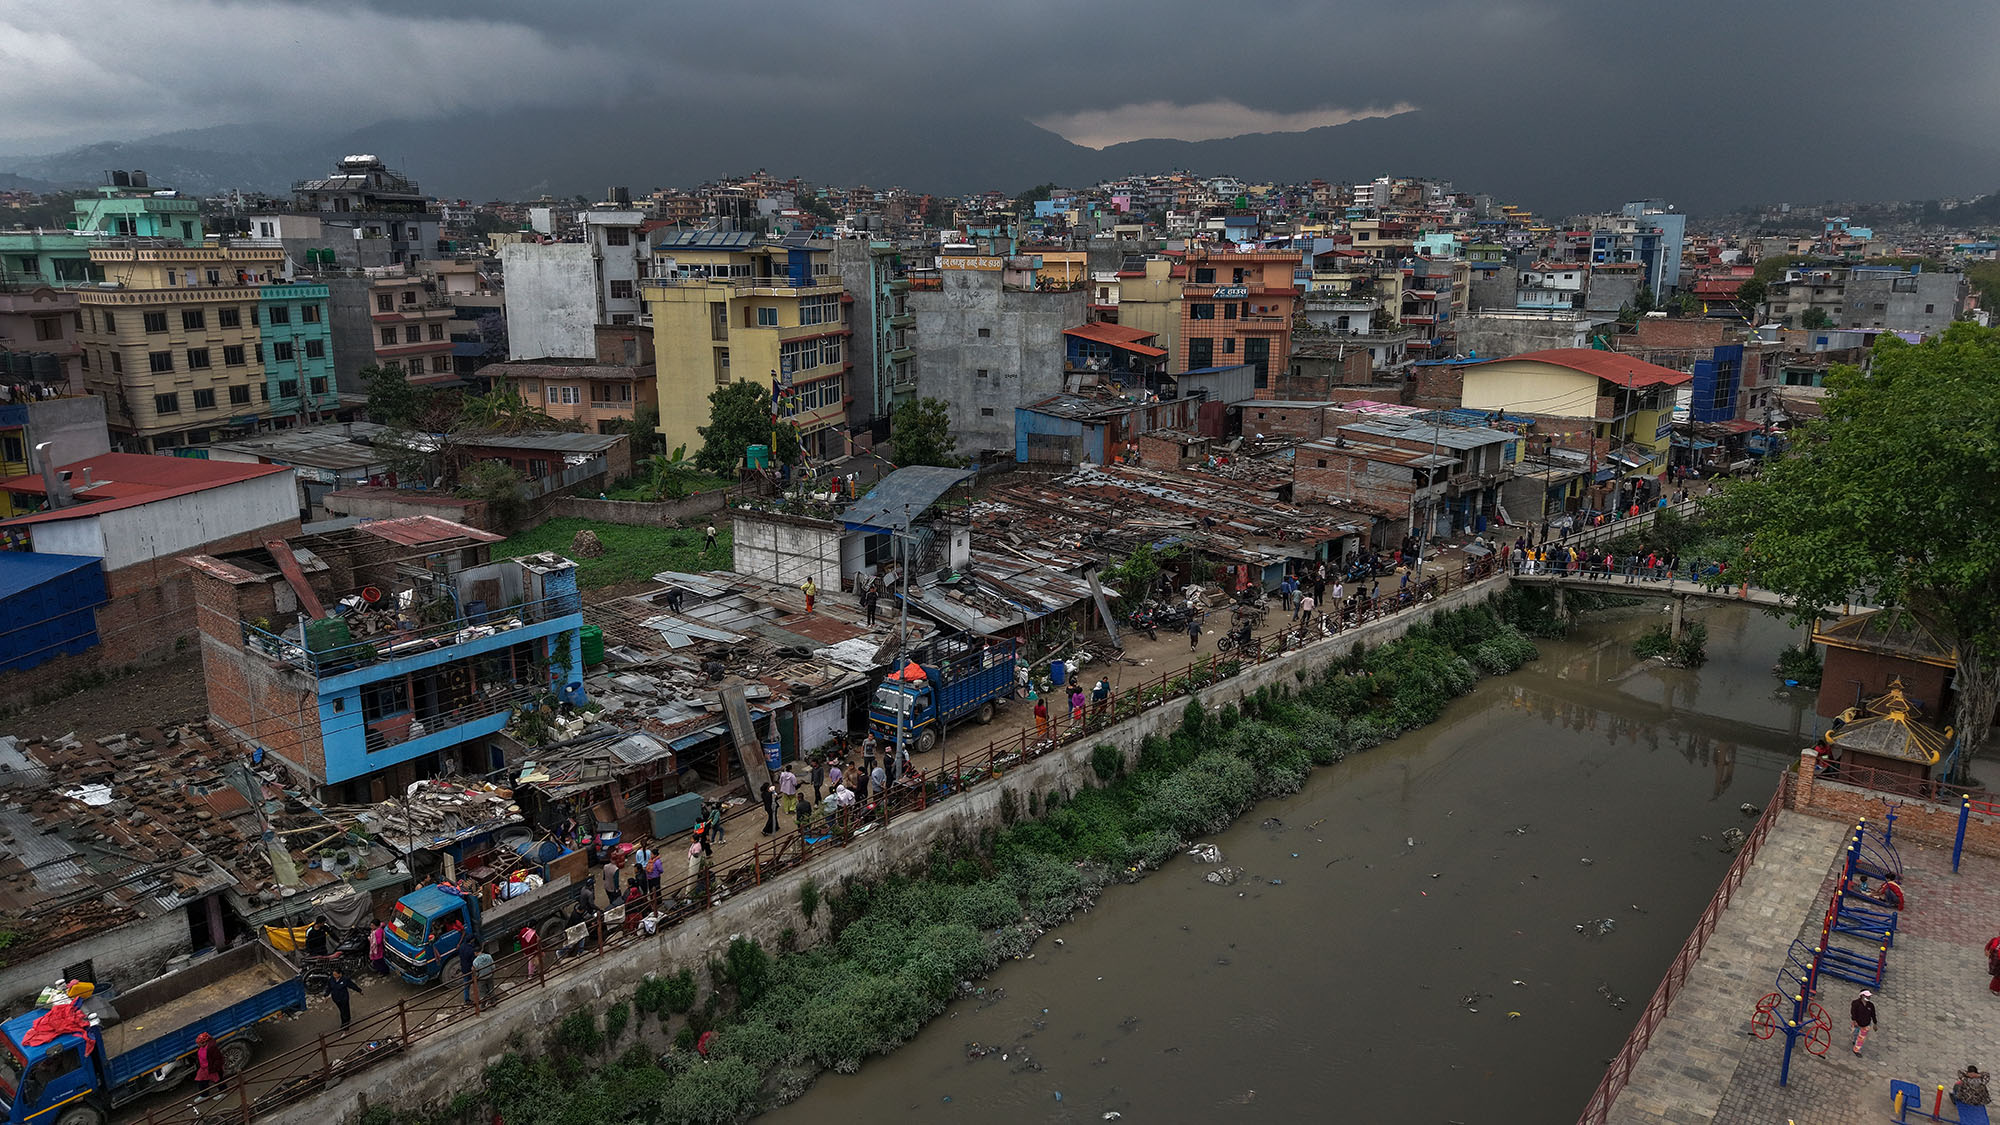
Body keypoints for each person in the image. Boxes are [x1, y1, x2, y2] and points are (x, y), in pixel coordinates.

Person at [194, 1032, 224, 1097]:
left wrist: (214, 1069)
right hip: (203, 1068)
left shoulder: (212, 1048)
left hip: (211, 1068)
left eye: (199, 1043)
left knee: (218, 1081)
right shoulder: (201, 1047)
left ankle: (223, 1092)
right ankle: (204, 1095)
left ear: (204, 1042)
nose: (197, 1045)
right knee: (201, 1081)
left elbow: (218, 1059)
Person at [1850, 988, 1876, 1054]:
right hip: (1856, 1023)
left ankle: (1856, 1050)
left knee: (1861, 1039)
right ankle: (1854, 1040)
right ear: (1862, 996)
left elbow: (1873, 1014)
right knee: (1855, 1033)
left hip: (1866, 1025)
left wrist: (1875, 1023)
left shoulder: (1871, 1005)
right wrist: (1854, 1021)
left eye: (1869, 996)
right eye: (1866, 996)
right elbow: (1853, 1012)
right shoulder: (1855, 1003)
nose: (1868, 997)